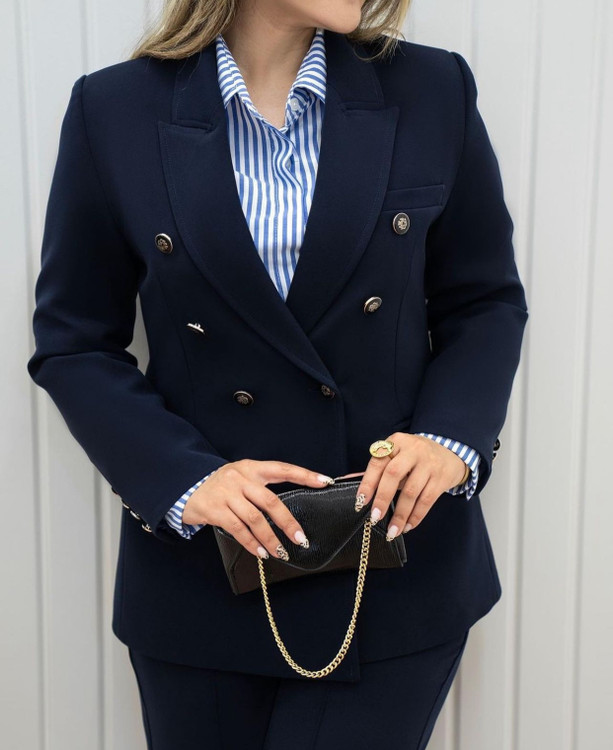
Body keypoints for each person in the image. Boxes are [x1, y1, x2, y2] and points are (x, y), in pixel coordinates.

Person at [26, 0, 529, 747]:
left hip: (392, 568)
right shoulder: (114, 110)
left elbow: (483, 301)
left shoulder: (431, 89)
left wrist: (448, 440)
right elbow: (74, 342)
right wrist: (186, 481)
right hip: (204, 582)